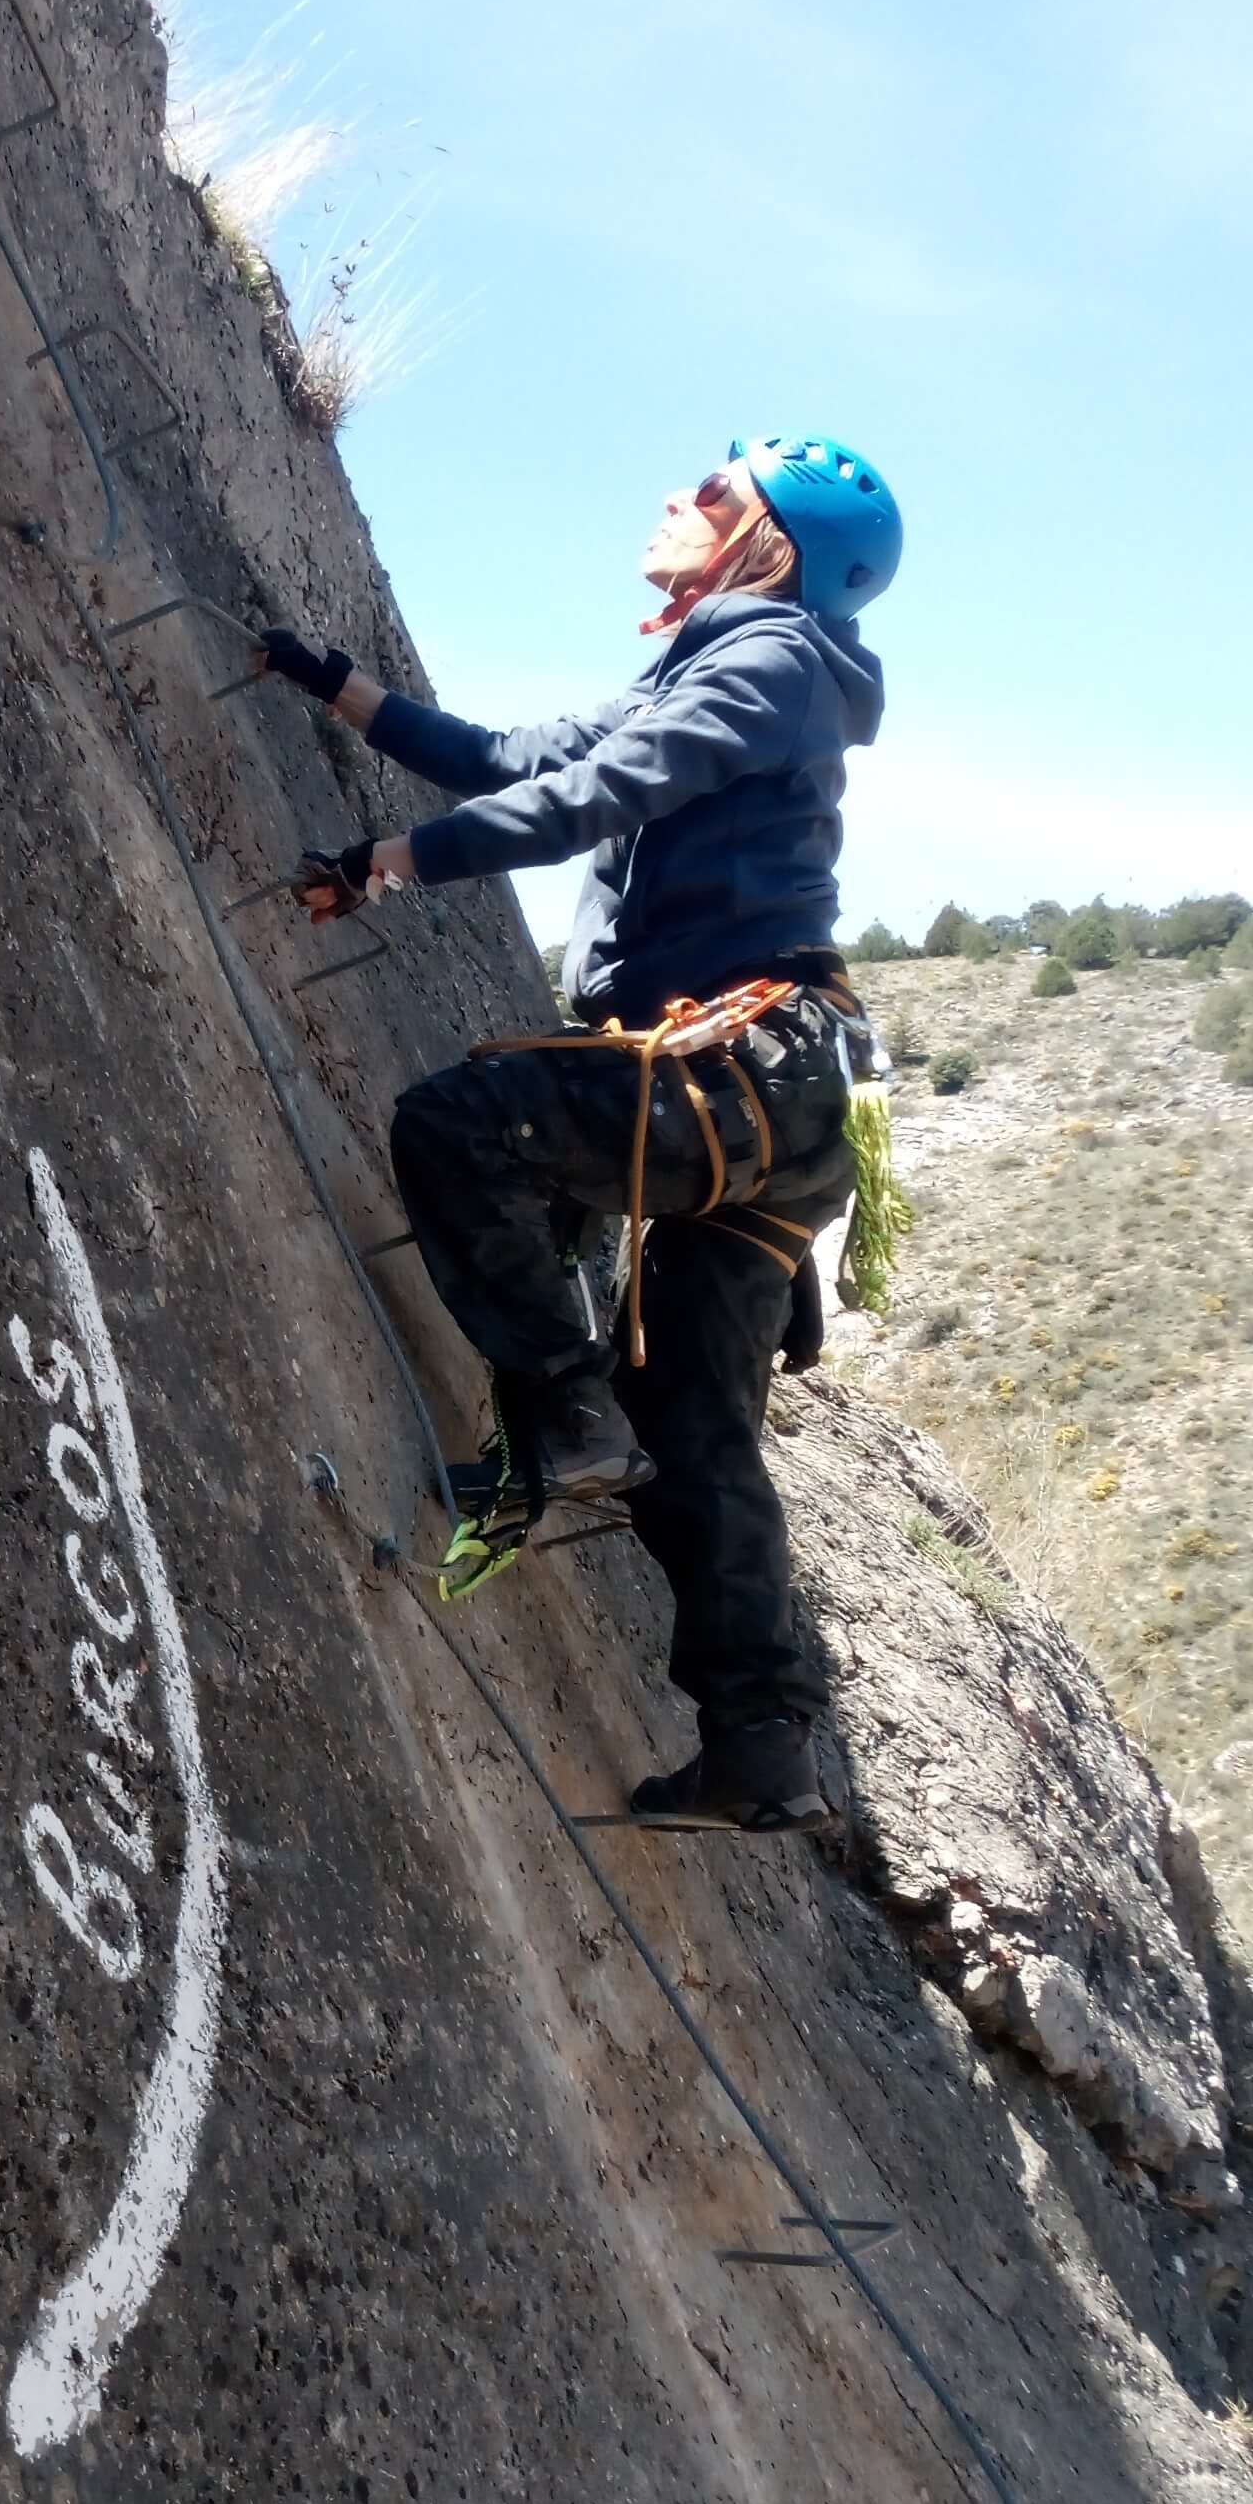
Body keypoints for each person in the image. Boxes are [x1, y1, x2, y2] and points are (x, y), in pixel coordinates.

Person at [256, 434, 899, 1831]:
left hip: (732, 1063)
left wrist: (388, 868)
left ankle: (561, 1414)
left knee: (462, 1127)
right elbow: (515, 757)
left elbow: (593, 798)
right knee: (701, 1425)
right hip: (769, 1105)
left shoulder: (771, 660)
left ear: (769, 549)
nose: (681, 498)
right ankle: (761, 1741)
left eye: (718, 493)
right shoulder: (727, 668)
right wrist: (338, 688)